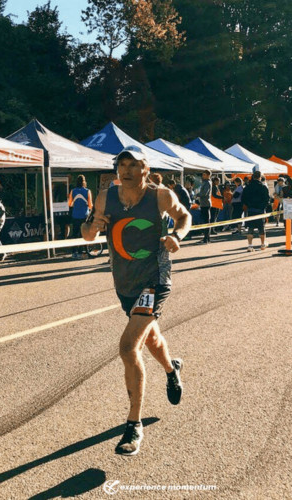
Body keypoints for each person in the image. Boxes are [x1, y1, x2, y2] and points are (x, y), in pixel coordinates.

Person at [81, 145, 191, 456]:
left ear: (146, 169)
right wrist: (92, 227)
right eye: (122, 165)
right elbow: (87, 234)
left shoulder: (160, 196)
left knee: (129, 347)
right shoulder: (105, 197)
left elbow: (184, 216)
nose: (127, 170)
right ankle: (171, 369)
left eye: (133, 165)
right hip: (124, 282)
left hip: (155, 278)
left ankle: (134, 424)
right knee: (151, 337)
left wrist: (177, 236)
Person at [240, 170, 270, 251]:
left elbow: (243, 198)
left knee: (250, 228)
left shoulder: (247, 187)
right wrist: (264, 207)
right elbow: (267, 199)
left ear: (253, 177)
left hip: (250, 209)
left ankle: (250, 246)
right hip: (260, 210)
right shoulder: (263, 187)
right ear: (260, 177)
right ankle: (262, 244)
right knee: (261, 228)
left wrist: (247, 205)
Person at [68, 175, 93, 260]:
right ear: (84, 182)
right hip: (84, 215)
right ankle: (81, 252)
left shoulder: (73, 191)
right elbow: (90, 205)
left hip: (75, 215)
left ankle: (74, 252)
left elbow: (69, 203)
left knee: (75, 233)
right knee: (83, 234)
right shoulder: (87, 191)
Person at [197, 170, 212, 244]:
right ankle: (206, 237)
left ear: (208, 175)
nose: (203, 176)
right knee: (205, 221)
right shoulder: (205, 182)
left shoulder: (207, 183)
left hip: (206, 204)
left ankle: (206, 238)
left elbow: (204, 193)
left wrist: (197, 194)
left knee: (206, 221)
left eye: (204, 175)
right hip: (203, 203)